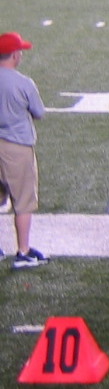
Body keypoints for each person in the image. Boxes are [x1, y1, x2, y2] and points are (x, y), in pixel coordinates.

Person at [0, 32, 47, 268]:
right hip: (17, 147)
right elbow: (38, 113)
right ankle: (23, 251)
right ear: (15, 55)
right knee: (23, 202)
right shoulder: (24, 83)